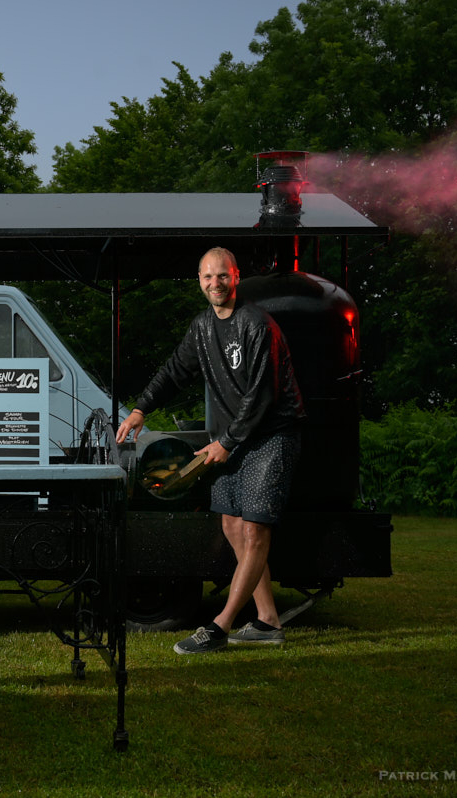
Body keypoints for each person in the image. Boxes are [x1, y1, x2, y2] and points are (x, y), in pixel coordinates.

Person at [116, 247, 305, 654]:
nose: (215, 283)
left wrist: (226, 442)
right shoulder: (202, 327)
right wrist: (140, 409)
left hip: (271, 436)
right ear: (199, 281)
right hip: (231, 440)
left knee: (255, 528)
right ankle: (268, 621)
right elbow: (174, 371)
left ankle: (220, 625)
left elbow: (263, 395)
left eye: (223, 276)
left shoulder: (257, 325)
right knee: (233, 527)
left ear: (236, 277)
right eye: (207, 277)